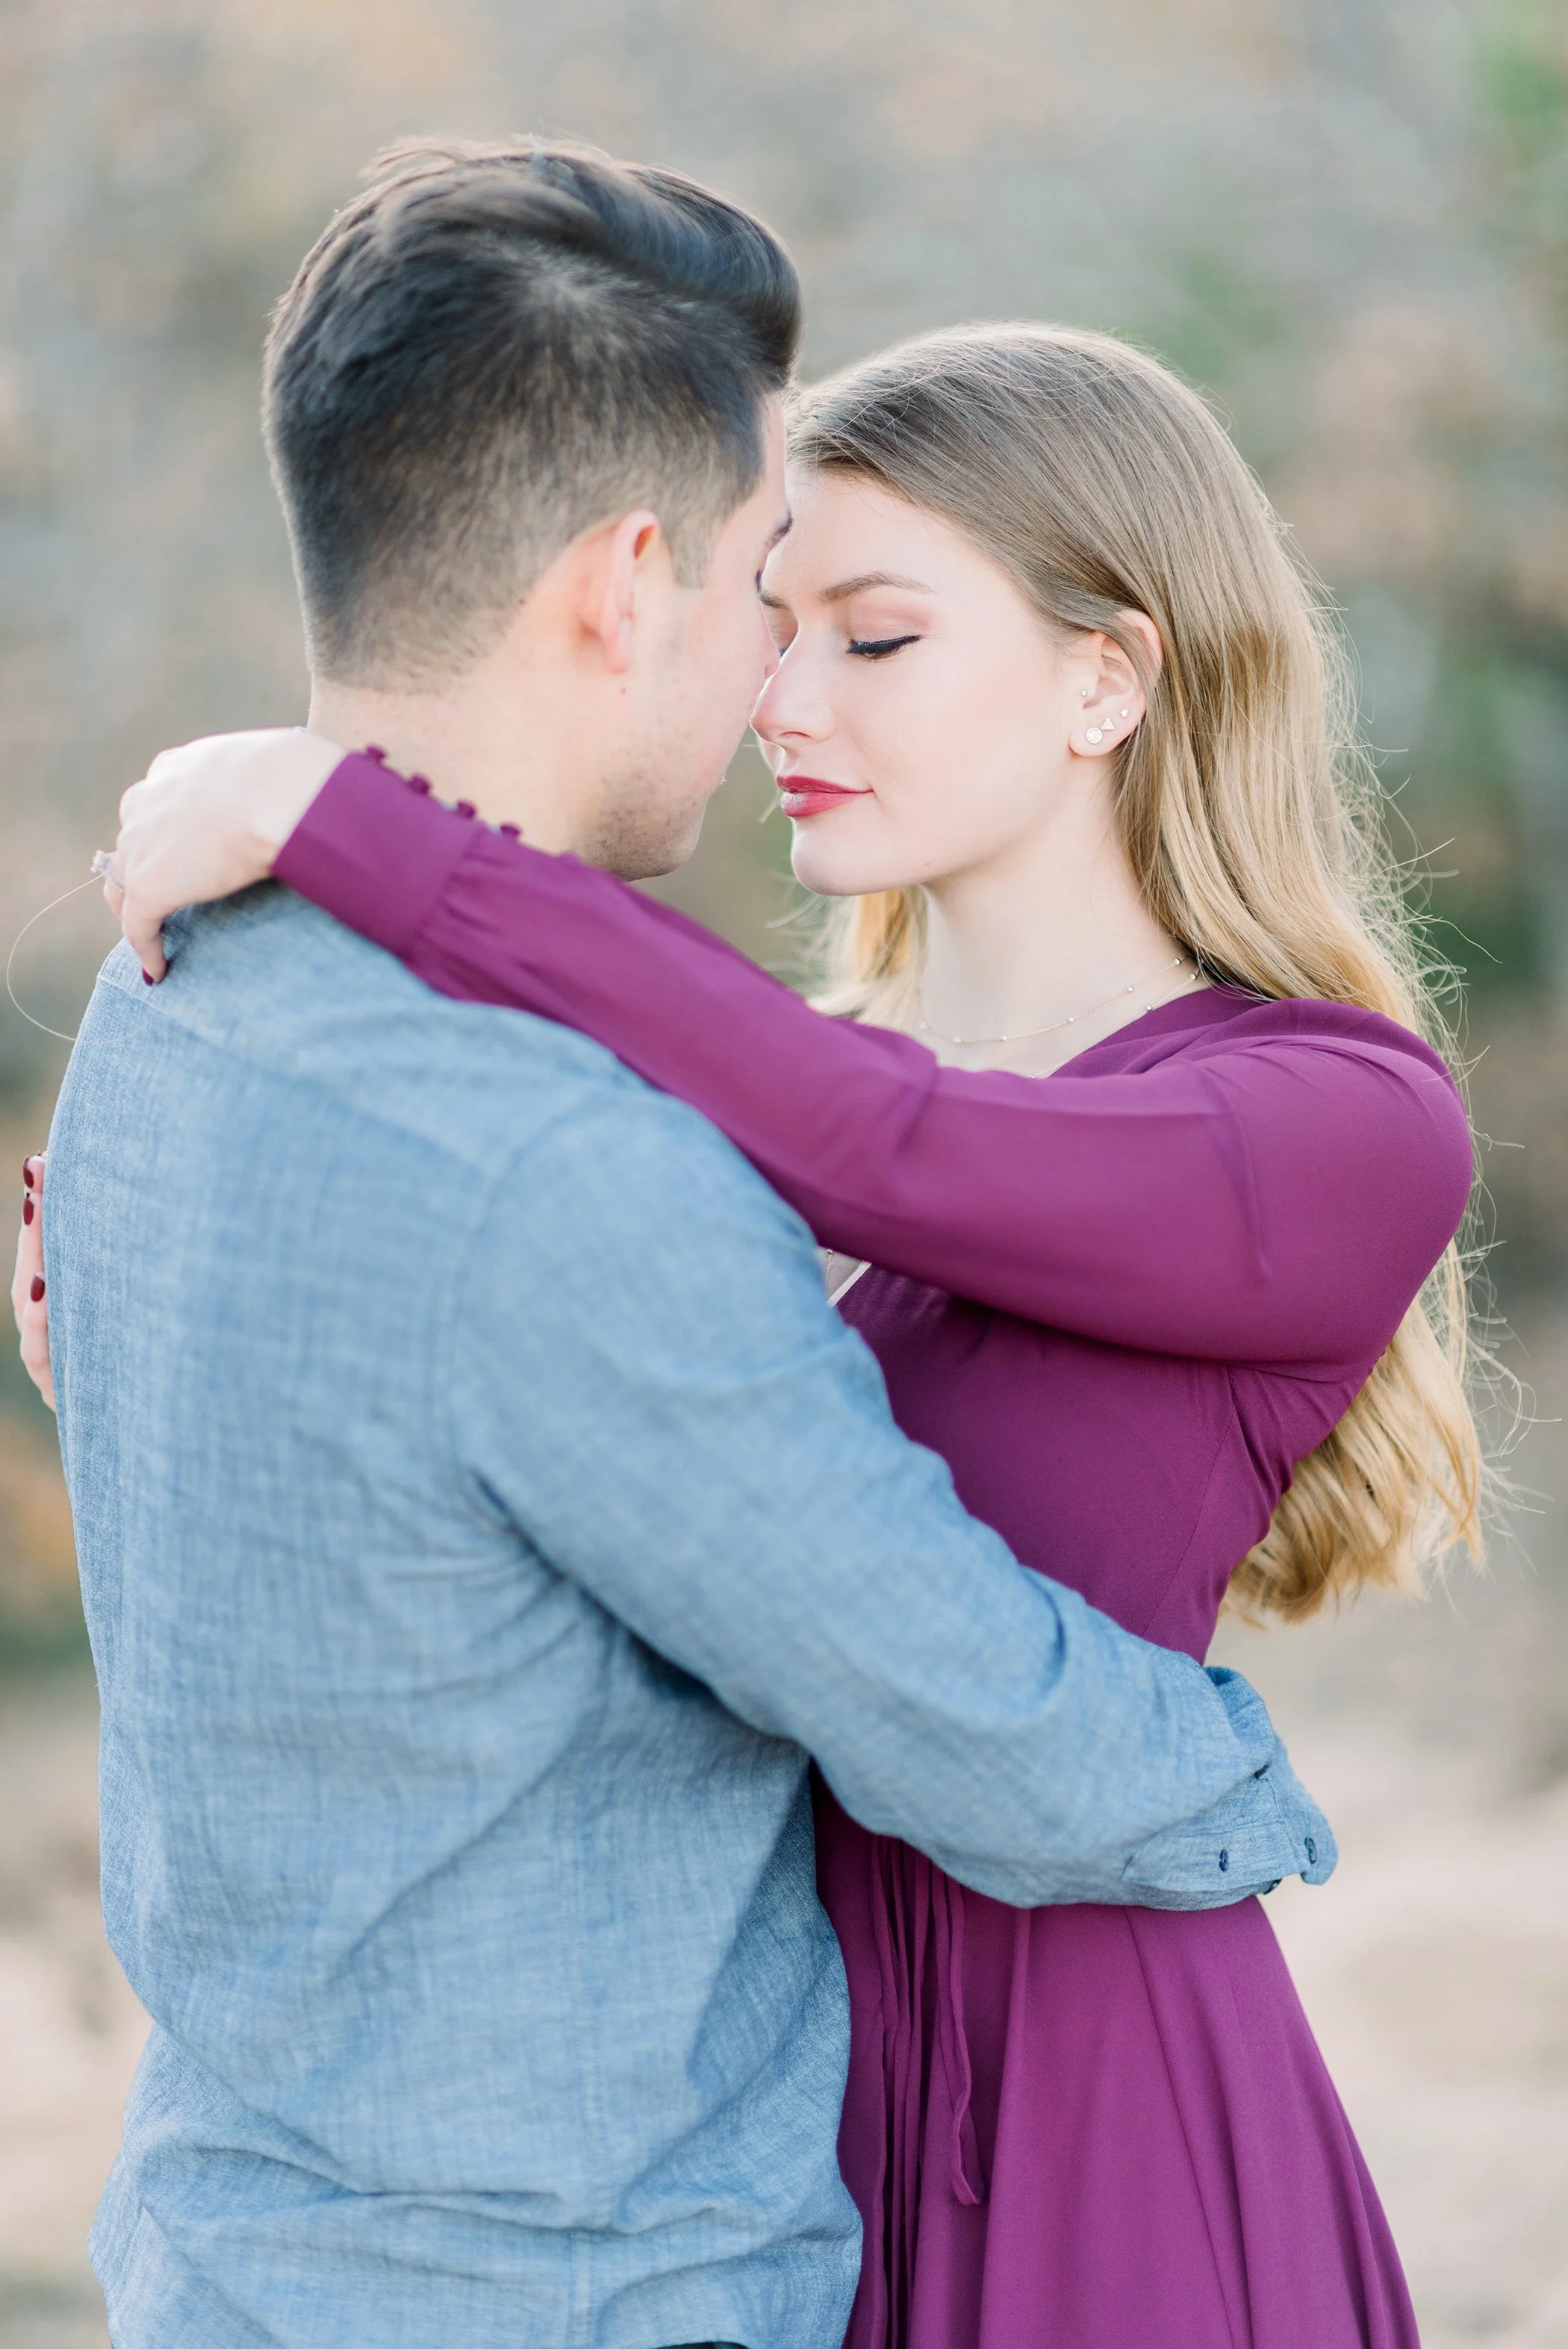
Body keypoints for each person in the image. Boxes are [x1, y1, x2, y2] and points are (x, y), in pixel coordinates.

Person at [7, 143, 1343, 2349]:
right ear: (626, 587)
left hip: (231, 2265)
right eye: (755, 590)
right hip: (570, 2292)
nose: (770, 682)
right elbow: (964, 1718)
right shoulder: (579, 1166)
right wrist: (1248, 1789)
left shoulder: (161, 1008)